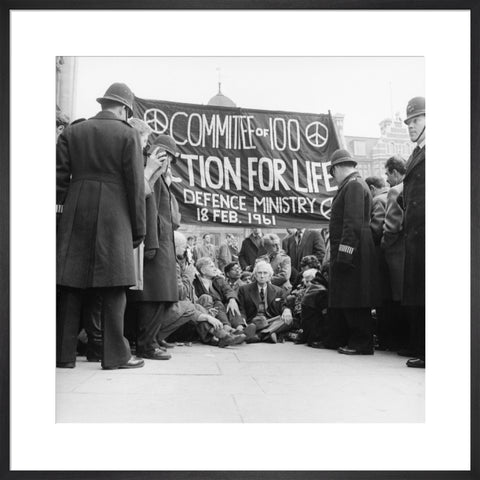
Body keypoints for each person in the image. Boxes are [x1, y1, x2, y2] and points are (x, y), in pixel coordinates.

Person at [56, 82, 146, 370]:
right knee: (114, 288)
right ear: (124, 109)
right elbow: (134, 185)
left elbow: (58, 181)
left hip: (75, 211)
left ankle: (63, 354)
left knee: (70, 285)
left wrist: (61, 216)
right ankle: (115, 356)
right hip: (114, 215)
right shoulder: (128, 134)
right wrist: (138, 227)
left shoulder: (72, 131)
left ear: (104, 103)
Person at [127, 134, 181, 360]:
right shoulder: (153, 177)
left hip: (162, 242)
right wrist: (151, 244)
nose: (169, 162)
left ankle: (152, 339)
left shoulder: (160, 178)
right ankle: (146, 345)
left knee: (162, 295)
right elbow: (150, 212)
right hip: (156, 243)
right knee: (154, 295)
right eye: (168, 156)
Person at [325, 149, 379, 355]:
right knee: (352, 296)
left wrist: (344, 254)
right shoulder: (354, 184)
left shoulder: (354, 185)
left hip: (353, 252)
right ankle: (357, 341)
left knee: (355, 297)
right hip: (356, 250)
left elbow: (353, 224)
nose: (334, 178)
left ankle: (361, 343)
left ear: (337, 167)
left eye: (333, 173)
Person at [155, 232, 247, 348]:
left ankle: (222, 334)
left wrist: (228, 301)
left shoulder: (217, 279)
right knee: (193, 306)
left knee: (204, 303)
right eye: (184, 247)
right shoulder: (178, 267)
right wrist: (207, 316)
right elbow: (182, 294)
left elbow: (226, 290)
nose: (186, 250)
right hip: (170, 313)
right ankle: (220, 335)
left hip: (196, 309)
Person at [401, 97, 426, 368]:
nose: (411, 125)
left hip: (428, 233)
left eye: (416, 120)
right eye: (409, 122)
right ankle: (423, 349)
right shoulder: (417, 152)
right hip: (416, 233)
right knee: (420, 294)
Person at [382, 155, 409, 352]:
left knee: (398, 298)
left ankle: (402, 342)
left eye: (388, 174)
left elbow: (391, 226)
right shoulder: (415, 186)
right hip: (412, 251)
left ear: (395, 172)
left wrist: (383, 244)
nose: (386, 179)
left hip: (397, 254)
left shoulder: (394, 191)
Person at [237, 260, 293, 343]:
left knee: (288, 320)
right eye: (259, 273)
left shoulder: (278, 291)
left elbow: (282, 305)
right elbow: (241, 309)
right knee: (259, 321)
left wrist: (287, 310)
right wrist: (241, 323)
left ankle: (260, 335)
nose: (262, 276)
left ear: (270, 276)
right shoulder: (244, 289)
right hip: (254, 320)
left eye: (265, 273)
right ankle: (268, 334)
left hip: (271, 320)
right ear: (255, 275)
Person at [193, 257, 244, 329]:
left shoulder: (218, 279)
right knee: (218, 303)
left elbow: (228, 290)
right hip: (207, 309)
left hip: (222, 307)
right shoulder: (195, 283)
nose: (215, 269)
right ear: (203, 270)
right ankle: (227, 328)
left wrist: (232, 299)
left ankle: (240, 328)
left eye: (214, 266)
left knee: (231, 304)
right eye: (211, 267)